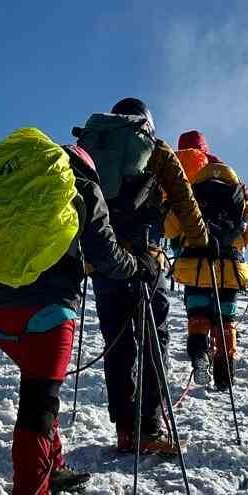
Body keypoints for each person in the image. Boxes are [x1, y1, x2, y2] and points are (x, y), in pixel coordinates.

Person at [0, 129, 153, 495]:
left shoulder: (17, 194)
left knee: (42, 387)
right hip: (47, 311)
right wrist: (142, 266)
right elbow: (106, 256)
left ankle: (51, 468)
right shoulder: (82, 189)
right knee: (39, 404)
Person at [73, 98, 206, 454]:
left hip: (104, 261)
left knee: (117, 343)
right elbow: (183, 197)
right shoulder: (156, 148)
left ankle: (124, 430)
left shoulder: (93, 145)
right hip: (147, 257)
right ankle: (150, 425)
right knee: (153, 338)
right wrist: (201, 241)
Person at [167, 155, 248, 391]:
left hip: (195, 268)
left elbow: (169, 228)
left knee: (197, 315)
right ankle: (225, 373)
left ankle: (200, 352)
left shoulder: (192, 195)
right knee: (225, 321)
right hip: (229, 271)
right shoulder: (239, 198)